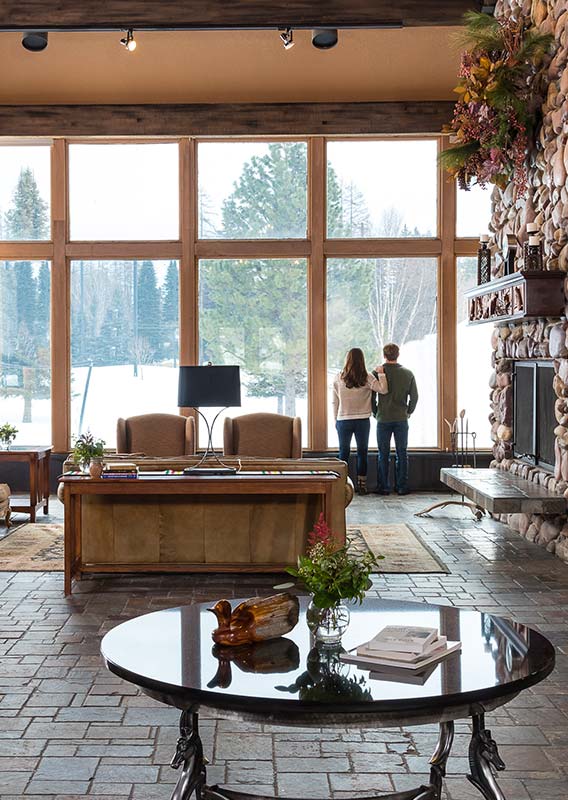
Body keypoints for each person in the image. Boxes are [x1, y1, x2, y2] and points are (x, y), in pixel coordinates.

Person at [332, 348, 388, 495]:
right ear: (362, 360)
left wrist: (335, 420)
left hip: (343, 419)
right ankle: (362, 485)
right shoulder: (368, 377)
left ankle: (340, 483)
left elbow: (334, 401)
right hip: (362, 420)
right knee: (362, 452)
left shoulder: (339, 377)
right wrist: (381, 373)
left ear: (347, 360)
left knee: (343, 452)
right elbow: (383, 390)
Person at [374, 342, 418, 496]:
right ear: (398, 355)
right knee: (402, 453)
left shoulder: (378, 373)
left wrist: (375, 412)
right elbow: (415, 397)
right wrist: (409, 411)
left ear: (384, 355)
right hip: (401, 418)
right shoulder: (408, 373)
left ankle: (383, 487)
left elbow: (371, 396)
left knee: (383, 454)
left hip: (383, 418)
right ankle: (401, 487)